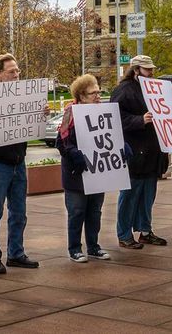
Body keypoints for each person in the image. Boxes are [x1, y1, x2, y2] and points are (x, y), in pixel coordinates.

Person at [0, 53, 48, 274]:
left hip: (18, 162)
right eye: (12, 71)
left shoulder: (25, 94)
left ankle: (16, 253)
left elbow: (29, 123)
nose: (17, 74)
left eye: (18, 71)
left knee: (19, 212)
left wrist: (41, 115)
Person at [111, 55, 169, 249]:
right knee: (129, 195)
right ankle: (124, 234)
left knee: (148, 195)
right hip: (134, 153)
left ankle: (145, 231)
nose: (151, 72)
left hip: (153, 152)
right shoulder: (123, 91)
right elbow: (115, 120)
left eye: (151, 69)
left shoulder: (157, 89)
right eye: (147, 69)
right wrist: (139, 120)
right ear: (136, 70)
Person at [56, 74, 114, 263]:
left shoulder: (103, 112)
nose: (97, 96)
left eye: (98, 92)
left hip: (97, 170)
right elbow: (62, 141)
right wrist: (74, 154)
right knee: (77, 211)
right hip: (76, 173)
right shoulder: (70, 113)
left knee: (95, 211)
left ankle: (93, 246)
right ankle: (74, 248)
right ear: (81, 96)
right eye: (92, 93)